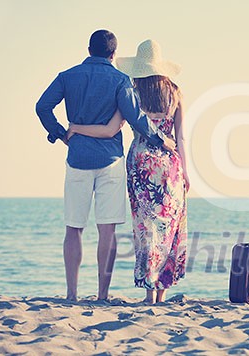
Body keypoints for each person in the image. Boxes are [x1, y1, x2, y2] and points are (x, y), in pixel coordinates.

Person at [35, 30, 176, 301]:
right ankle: (102, 294)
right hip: (110, 162)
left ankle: (71, 294)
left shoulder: (67, 76)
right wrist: (161, 140)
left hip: (77, 159)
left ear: (88, 50)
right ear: (113, 54)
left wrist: (60, 133)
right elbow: (136, 118)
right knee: (107, 231)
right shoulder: (120, 80)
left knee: (73, 229)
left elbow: (42, 106)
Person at [67, 39, 189, 304]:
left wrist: (77, 128)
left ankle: (149, 294)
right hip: (171, 167)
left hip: (141, 166)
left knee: (146, 229)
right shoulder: (176, 92)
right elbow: (180, 138)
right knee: (168, 228)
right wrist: (187, 172)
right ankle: (162, 293)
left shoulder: (132, 91)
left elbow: (110, 130)